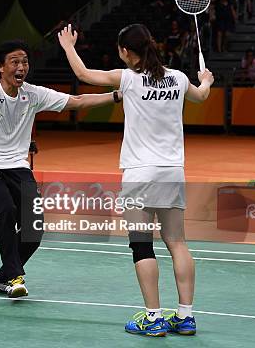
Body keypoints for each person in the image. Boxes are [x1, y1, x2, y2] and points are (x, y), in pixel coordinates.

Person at [58, 23, 214, 337]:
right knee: (178, 243)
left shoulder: (127, 79)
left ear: (127, 52)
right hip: (172, 172)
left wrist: (68, 48)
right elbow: (200, 96)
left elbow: (85, 75)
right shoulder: (180, 78)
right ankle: (185, 316)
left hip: (140, 174)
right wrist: (207, 80)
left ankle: (153, 317)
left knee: (142, 245)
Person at [0, 40, 122, 298]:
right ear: (1, 67)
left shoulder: (33, 94)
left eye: (25, 62)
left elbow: (76, 101)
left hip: (17, 165)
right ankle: (13, 276)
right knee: (7, 210)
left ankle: (2, 276)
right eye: (15, 62)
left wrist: (115, 95)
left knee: (34, 227)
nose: (21, 67)